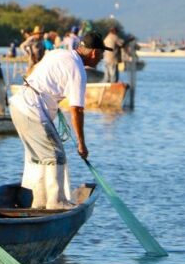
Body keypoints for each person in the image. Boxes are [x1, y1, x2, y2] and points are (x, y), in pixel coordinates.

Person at [9, 31, 110, 210]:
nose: (101, 59)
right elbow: (77, 110)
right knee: (56, 155)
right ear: (94, 53)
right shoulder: (78, 71)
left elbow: (37, 72)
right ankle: (56, 201)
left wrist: (51, 99)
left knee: (40, 157)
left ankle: (39, 202)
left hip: (18, 104)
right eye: (101, 54)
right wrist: (81, 143)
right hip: (32, 109)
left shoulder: (59, 53)